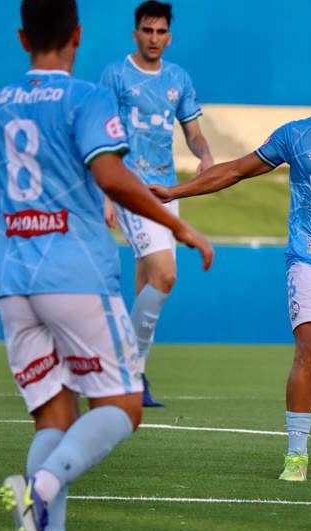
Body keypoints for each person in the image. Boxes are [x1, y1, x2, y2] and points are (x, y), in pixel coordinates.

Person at [0, 1, 213, 531]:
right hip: (77, 278)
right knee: (124, 406)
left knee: (55, 415)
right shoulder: (85, 97)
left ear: (21, 37)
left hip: (13, 288)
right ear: (77, 36)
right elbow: (111, 174)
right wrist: (178, 228)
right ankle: (42, 484)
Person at [150, 50, 311, 481]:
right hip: (309, 259)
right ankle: (295, 455)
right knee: (310, 349)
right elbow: (234, 171)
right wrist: (177, 192)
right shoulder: (297, 136)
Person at [99, 0, 214, 407]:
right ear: (135, 33)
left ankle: (133, 379)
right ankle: (125, 368)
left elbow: (193, 132)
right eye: (146, 30)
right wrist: (106, 194)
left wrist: (203, 154)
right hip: (130, 189)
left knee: (148, 283)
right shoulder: (115, 75)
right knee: (165, 275)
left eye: (160, 31)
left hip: (166, 191)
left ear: (170, 35)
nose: (153, 38)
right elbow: (101, 137)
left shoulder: (178, 78)